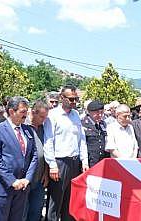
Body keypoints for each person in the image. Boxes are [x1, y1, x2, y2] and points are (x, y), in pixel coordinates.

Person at [0, 96, 38, 221]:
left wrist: (27, 179)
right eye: (22, 112)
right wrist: (11, 181)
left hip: (22, 187)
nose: (26, 115)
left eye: (26, 111)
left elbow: (34, 155)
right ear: (11, 111)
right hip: (3, 188)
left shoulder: (28, 130)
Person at [44, 85, 89, 221]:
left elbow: (81, 139)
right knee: (55, 202)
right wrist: (52, 165)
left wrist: (84, 161)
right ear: (61, 98)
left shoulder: (75, 115)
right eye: (71, 99)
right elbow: (48, 141)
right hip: (59, 162)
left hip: (74, 162)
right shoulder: (53, 116)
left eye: (76, 99)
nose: (74, 102)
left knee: (70, 201)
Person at [24, 100, 49, 221]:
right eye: (41, 117)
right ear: (33, 113)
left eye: (45, 117)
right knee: (23, 211)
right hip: (26, 177)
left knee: (36, 210)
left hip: (39, 178)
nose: (43, 120)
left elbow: (46, 152)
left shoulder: (43, 129)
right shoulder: (24, 127)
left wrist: (45, 173)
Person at [81, 100, 110, 167]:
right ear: (89, 112)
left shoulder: (103, 124)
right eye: (97, 113)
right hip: (89, 161)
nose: (100, 115)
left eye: (101, 113)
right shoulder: (83, 124)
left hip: (101, 160)